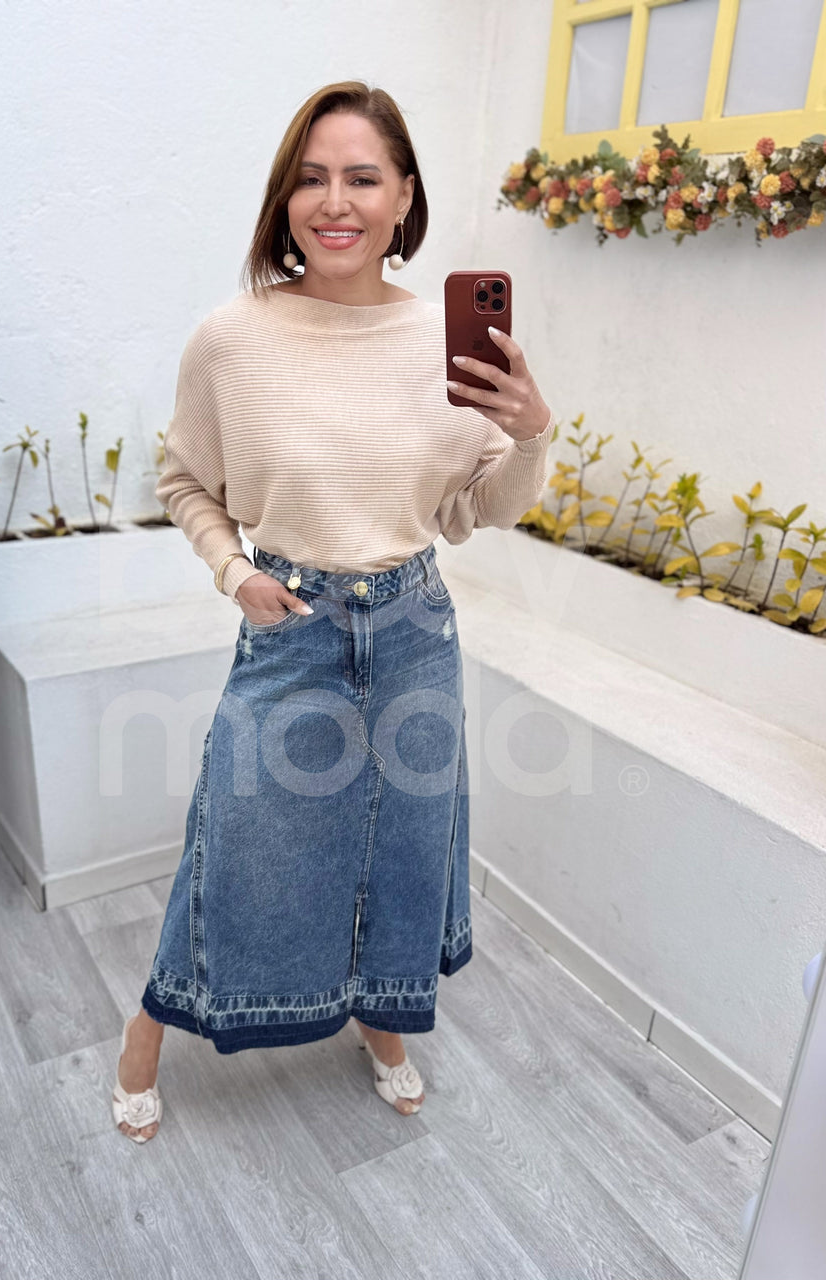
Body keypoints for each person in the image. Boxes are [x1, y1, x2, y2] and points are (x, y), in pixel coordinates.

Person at [112, 80, 554, 1142]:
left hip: (414, 631)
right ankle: (148, 1028)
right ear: (285, 199)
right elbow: (184, 479)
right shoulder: (232, 339)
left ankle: (381, 1017)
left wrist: (533, 430)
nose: (336, 201)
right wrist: (235, 573)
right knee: (237, 845)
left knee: (401, 846)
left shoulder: (445, 341)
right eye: (311, 179)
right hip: (292, 628)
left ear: (404, 197)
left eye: (362, 177)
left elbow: (480, 507)